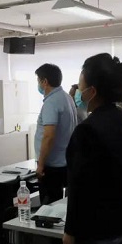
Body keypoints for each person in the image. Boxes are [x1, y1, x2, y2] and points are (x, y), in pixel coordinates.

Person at [62, 54, 122, 244]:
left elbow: (79, 186)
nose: (78, 91)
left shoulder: (87, 130)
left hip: (96, 231)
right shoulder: (121, 118)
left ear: (92, 91)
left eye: (80, 86)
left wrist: (70, 231)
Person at [34, 63, 78, 204]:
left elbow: (49, 136)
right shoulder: (67, 97)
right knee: (59, 205)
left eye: (38, 80)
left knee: (49, 207)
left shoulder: (51, 102)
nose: (38, 84)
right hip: (65, 162)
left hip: (52, 167)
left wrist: (40, 165)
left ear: (45, 82)